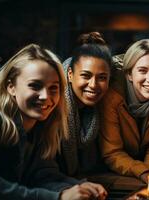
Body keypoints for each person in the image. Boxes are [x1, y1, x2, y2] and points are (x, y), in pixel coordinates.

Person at [0, 44, 107, 200]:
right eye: (35, 86)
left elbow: (43, 175)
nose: (45, 96)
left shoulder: (42, 126)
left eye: (53, 88)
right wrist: (58, 197)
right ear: (11, 87)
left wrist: (76, 187)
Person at [100, 39, 149, 183]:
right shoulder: (111, 96)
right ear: (129, 74)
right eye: (142, 70)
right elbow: (112, 152)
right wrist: (143, 173)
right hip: (114, 170)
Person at [58, 32, 112, 180]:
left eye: (102, 78)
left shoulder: (99, 109)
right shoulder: (52, 105)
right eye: (86, 75)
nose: (93, 85)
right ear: (70, 74)